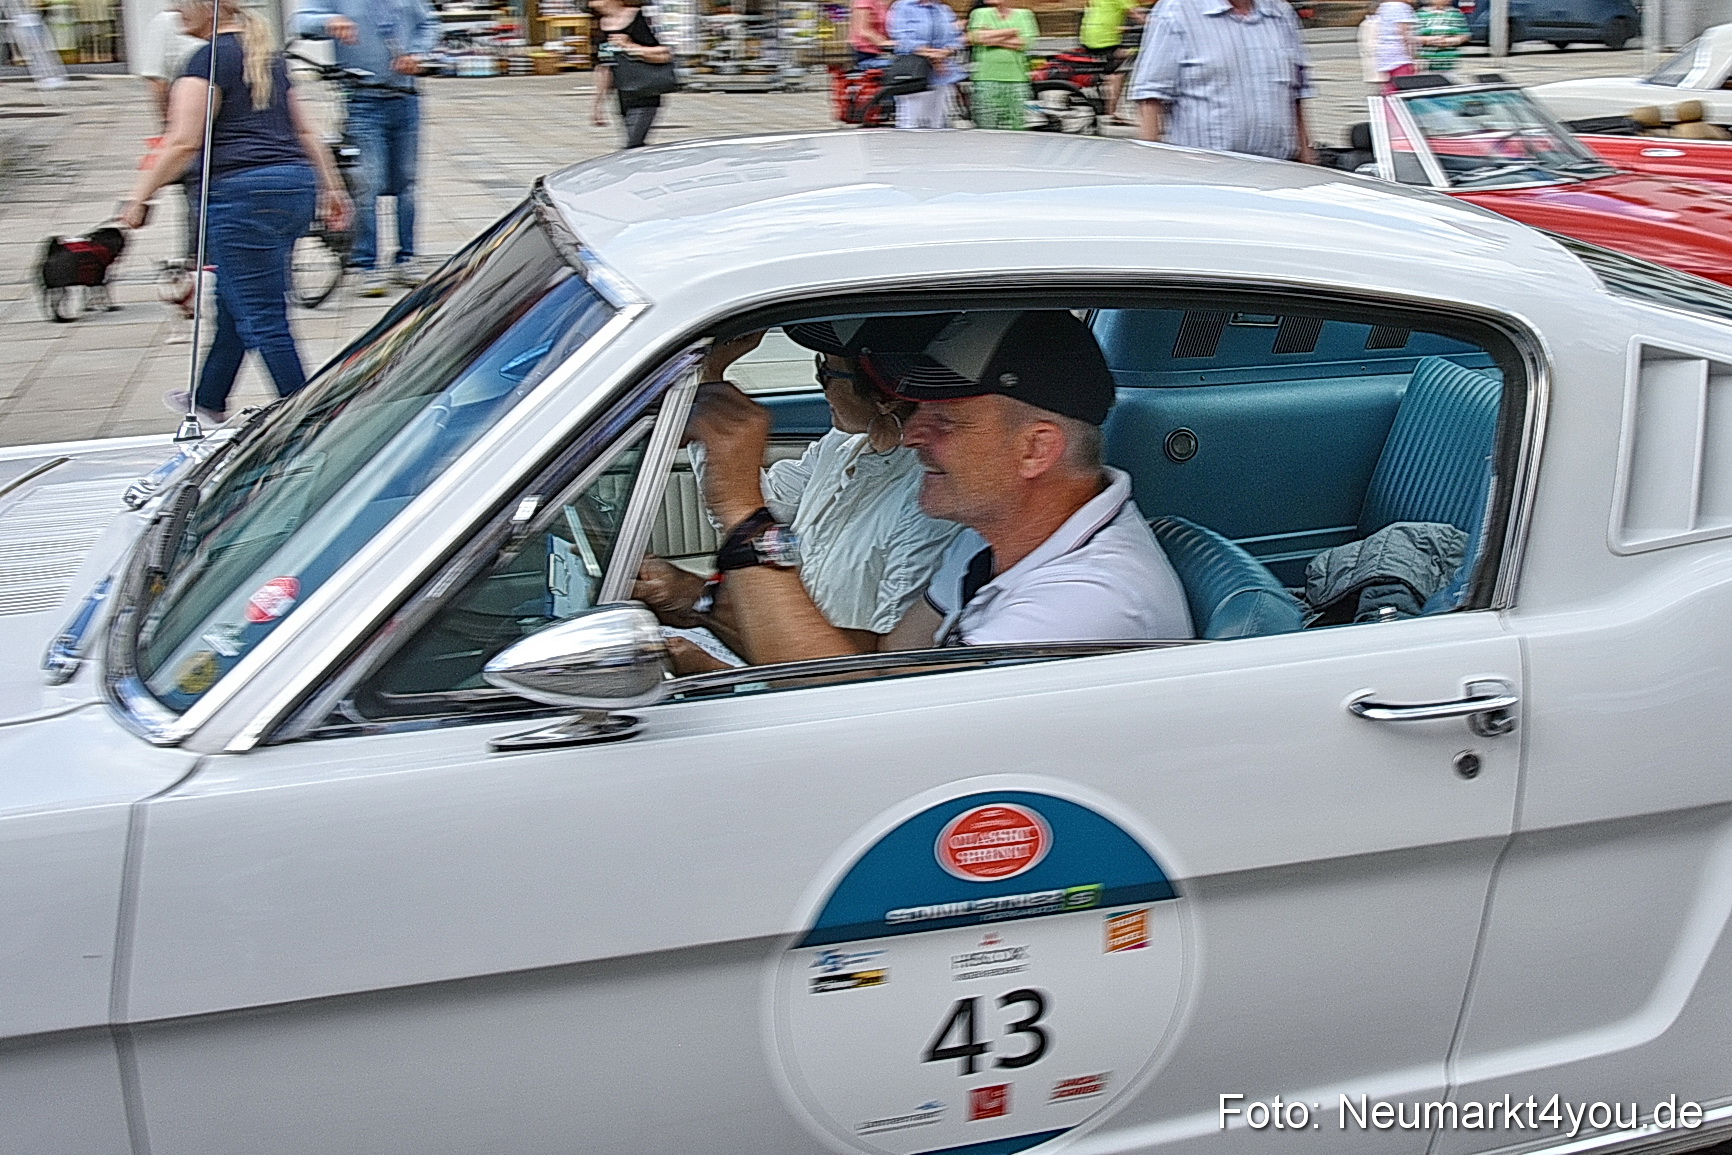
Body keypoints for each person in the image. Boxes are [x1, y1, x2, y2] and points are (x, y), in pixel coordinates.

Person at [679, 310, 1194, 666]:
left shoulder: (1078, 607)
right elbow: (890, 662)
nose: (913, 434)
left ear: (1036, 449)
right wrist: (699, 610)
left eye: (945, 420)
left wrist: (745, 516)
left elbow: (872, 730)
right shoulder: (993, 540)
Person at [636, 317, 963, 671]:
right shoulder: (843, 443)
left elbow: (888, 666)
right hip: (780, 644)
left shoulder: (929, 500)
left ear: (884, 395)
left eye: (827, 372)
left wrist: (721, 670)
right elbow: (767, 505)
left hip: (817, 681)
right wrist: (712, 375)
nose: (818, 382)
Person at [121, 0, 351, 427]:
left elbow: (184, 141)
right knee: (236, 298)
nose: (174, 10)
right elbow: (304, 130)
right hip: (292, 188)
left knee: (263, 317)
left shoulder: (205, 60)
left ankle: (310, 419)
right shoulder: (268, 56)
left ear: (206, 8)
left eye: (182, 3)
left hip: (243, 195)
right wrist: (332, 187)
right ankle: (208, 399)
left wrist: (139, 198)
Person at [294, 0, 437, 297]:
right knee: (367, 184)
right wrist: (330, 21)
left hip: (405, 96)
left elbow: (429, 23)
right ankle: (366, 264)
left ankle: (406, 259)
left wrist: (418, 54)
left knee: (407, 184)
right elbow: (300, 22)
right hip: (362, 99)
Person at [1129, 0, 1316, 163]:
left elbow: (1296, 95)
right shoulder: (1177, 11)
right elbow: (1150, 97)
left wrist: (1306, 157)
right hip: (1206, 175)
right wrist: (1151, 165)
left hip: (1278, 170)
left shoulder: (1280, 13)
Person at [591, 0, 673, 151]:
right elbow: (604, 67)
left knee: (632, 146)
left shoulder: (640, 17)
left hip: (646, 91)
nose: (593, 3)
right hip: (623, 94)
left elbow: (665, 54)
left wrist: (629, 46)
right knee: (634, 145)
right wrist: (598, 105)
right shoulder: (601, 26)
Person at [887, 0, 964, 129]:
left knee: (938, 124)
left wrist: (945, 52)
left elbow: (955, 39)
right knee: (911, 123)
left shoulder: (944, 10)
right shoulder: (903, 7)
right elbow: (902, 39)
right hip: (915, 74)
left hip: (942, 73)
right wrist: (932, 56)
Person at [968, 0, 1039, 130]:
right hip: (985, 80)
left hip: (1017, 81)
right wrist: (1012, 31)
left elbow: (1023, 43)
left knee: (1017, 129)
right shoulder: (980, 13)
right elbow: (979, 38)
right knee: (986, 129)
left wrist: (992, 37)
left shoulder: (1025, 15)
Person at [1078, 0, 1144, 124]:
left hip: (1087, 37)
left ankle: (1102, 91)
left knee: (1116, 59)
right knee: (1118, 72)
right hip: (1105, 41)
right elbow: (1137, 15)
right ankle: (1111, 113)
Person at [138, 0, 199, 124]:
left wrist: (167, 121)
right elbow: (157, 80)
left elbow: (157, 79)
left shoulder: (164, 22)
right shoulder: (165, 22)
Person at [1372, 0, 1418, 90]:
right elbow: (1405, 34)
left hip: (1384, 55)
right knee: (1404, 88)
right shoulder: (1402, 8)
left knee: (1390, 87)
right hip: (1400, 56)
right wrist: (1413, 57)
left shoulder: (1383, 7)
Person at [1414, 0, 1469, 72]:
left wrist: (1449, 41)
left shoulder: (1455, 14)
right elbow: (1412, 37)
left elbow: (1465, 35)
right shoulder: (1420, 14)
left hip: (1448, 63)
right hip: (1425, 64)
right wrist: (1428, 40)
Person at [849, 0, 893, 65]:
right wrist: (882, 42)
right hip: (867, 54)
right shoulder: (864, 2)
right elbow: (862, 29)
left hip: (884, 53)